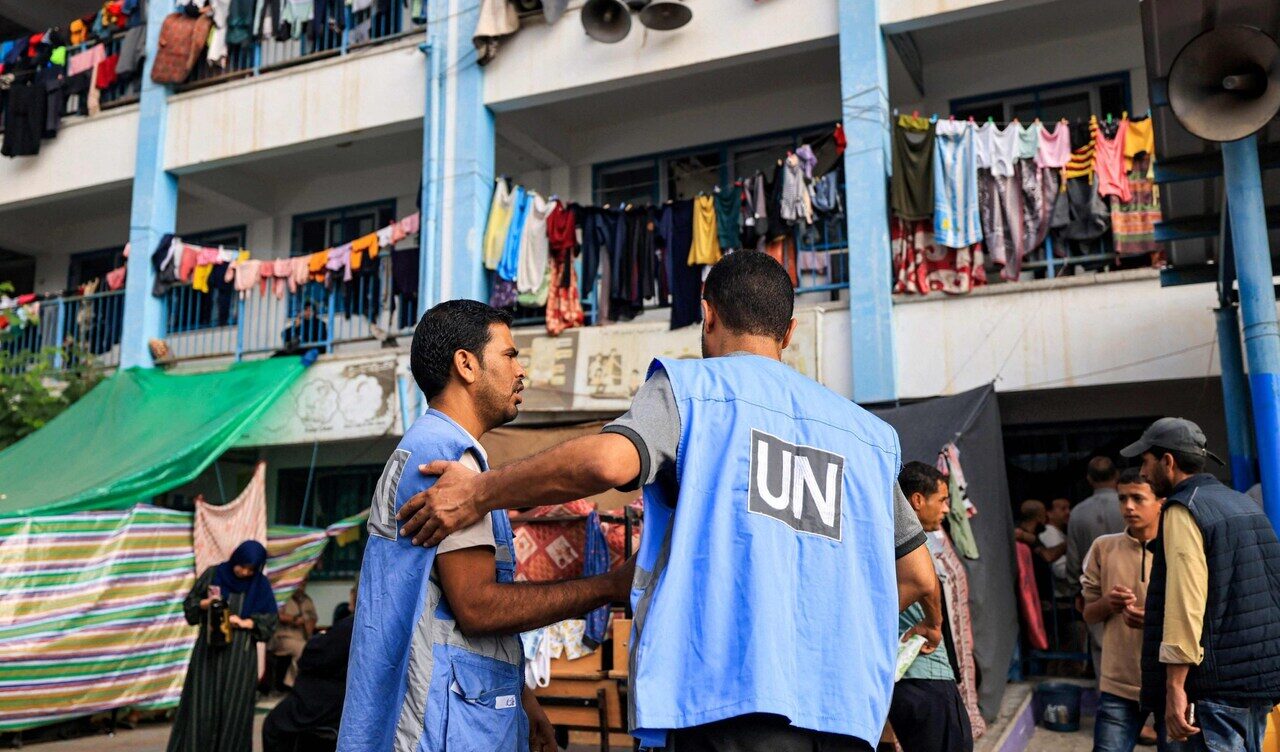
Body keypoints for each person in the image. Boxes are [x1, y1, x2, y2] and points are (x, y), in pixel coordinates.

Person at [397, 251, 943, 751]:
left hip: (723, 706)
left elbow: (607, 463)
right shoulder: (867, 436)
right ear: (790, 331)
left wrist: (481, 491)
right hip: (846, 713)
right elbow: (919, 575)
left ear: (707, 315)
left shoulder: (693, 390)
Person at [337, 300, 634, 752]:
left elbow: (446, 612)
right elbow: (477, 607)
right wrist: (608, 586)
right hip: (438, 725)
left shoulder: (425, 445)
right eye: (510, 355)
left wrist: (523, 697)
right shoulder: (449, 457)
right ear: (466, 364)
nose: (521, 372)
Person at [1122, 418, 1280, 751]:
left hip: (1213, 688)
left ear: (1168, 461)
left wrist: (1175, 686)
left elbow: (1185, 602)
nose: (1144, 472)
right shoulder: (1243, 503)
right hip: (1259, 678)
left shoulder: (1184, 509)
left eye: (1146, 462)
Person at [890, 461, 974, 752]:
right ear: (916, 500)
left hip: (901, 677)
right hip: (926, 673)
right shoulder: (912, 544)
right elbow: (924, 582)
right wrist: (933, 623)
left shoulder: (881, 534)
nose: (947, 509)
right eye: (941, 500)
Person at [167, 540, 279, 752]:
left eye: (250, 569)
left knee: (233, 712)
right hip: (208, 655)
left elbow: (270, 622)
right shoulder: (213, 575)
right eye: (242, 565)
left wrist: (244, 622)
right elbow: (189, 607)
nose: (245, 572)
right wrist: (205, 604)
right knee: (201, 707)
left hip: (240, 658)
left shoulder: (260, 585)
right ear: (235, 558)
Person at [1080, 468, 1162, 752]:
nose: (1128, 506)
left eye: (1138, 498)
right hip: (1118, 682)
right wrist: (1108, 603)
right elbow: (1089, 614)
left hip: (1173, 681)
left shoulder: (1179, 548)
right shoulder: (1103, 548)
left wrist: (1155, 620)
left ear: (1160, 501)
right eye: (1122, 498)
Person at [263, 592, 356, 752]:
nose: (349, 605)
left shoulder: (352, 626)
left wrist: (317, 639)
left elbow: (316, 656)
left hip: (329, 702)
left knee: (274, 725)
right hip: (348, 698)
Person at [1067, 456, 1124, 670]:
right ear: (1116, 476)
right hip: (1134, 586)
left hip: (1095, 590)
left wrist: (1076, 590)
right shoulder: (1132, 506)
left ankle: (1108, 698)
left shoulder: (1078, 513)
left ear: (1089, 479)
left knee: (1102, 651)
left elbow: (1073, 559)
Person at [264, 579, 318, 694]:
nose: (302, 587)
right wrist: (294, 619)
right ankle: (292, 685)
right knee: (301, 648)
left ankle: (307, 684)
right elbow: (278, 615)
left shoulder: (307, 600)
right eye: (299, 584)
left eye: (304, 584)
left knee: (310, 647)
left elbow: (313, 617)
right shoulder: (283, 597)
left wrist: (308, 623)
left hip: (302, 636)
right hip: (282, 637)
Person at [1040, 498, 1072, 598]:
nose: (1068, 512)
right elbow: (1061, 570)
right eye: (1063, 509)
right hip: (1062, 597)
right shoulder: (1050, 533)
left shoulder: (1059, 533)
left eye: (1068, 508)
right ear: (1049, 513)